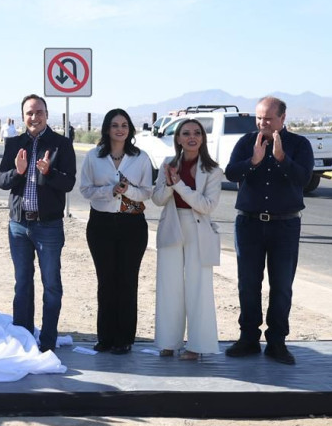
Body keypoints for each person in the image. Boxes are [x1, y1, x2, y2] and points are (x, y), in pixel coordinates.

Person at [224, 96, 313, 365]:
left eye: (269, 119)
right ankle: (248, 338)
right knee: (248, 284)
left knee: (282, 286)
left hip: (285, 225)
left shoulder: (299, 144)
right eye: (259, 118)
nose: (263, 123)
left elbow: (304, 178)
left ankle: (277, 342)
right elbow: (231, 173)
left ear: (282, 118)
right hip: (249, 224)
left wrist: (281, 158)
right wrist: (253, 161)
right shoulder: (246, 142)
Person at [0, 95, 76, 352]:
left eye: (39, 112)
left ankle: (48, 341)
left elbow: (69, 183)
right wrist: (17, 172)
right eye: (29, 113)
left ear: (46, 114)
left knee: (51, 284)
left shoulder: (61, 144)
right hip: (19, 225)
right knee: (22, 283)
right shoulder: (14, 144)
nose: (34, 117)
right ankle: (23, 338)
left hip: (48, 226)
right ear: (23, 117)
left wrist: (48, 172)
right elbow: (1, 180)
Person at [78, 109, 153, 355]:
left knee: (127, 281)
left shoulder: (141, 158)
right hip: (101, 225)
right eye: (114, 125)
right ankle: (105, 337)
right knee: (106, 281)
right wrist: (109, 191)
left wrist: (127, 190)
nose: (120, 129)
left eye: (124, 125)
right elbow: (85, 189)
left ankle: (124, 339)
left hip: (133, 226)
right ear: (107, 129)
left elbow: (147, 192)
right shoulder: (93, 157)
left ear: (130, 129)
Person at [152, 119, 223, 360]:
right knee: (169, 286)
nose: (192, 137)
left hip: (199, 230)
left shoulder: (213, 170)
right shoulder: (167, 164)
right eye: (186, 133)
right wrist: (169, 184)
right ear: (178, 139)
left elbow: (207, 206)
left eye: (197, 133)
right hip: (172, 226)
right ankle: (168, 342)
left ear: (203, 138)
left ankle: (197, 346)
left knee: (199, 287)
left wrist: (179, 185)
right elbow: (158, 199)